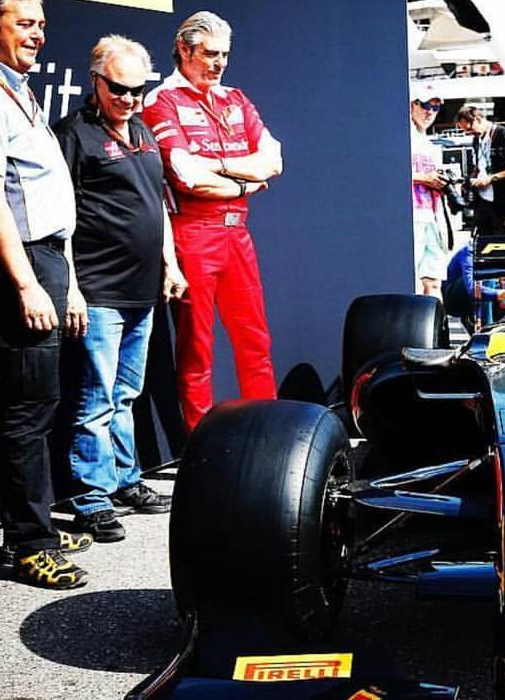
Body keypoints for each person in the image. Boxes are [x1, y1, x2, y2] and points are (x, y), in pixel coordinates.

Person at [0, 0, 91, 589]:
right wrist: (28, 283)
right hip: (19, 267)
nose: (38, 34)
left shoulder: (17, 87)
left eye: (41, 24)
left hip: (47, 259)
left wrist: (68, 282)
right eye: (24, 23)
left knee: (39, 403)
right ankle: (31, 545)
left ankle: (37, 527)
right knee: (26, 411)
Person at [54, 36, 186, 543]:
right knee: (96, 399)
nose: (129, 98)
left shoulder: (144, 131)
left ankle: (126, 480)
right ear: (96, 81)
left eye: (137, 89)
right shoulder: (74, 134)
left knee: (126, 394)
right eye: (119, 89)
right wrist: (71, 288)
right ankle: (92, 498)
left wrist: (170, 265)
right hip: (99, 289)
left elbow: (157, 206)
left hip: (143, 290)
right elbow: (59, 220)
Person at [143, 11, 282, 433]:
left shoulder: (235, 98)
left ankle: (267, 434)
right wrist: (245, 180)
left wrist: (218, 166)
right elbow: (187, 175)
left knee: (255, 339)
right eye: (209, 54)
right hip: (193, 234)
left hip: (237, 232)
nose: (219, 63)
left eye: (224, 55)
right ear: (184, 50)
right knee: (197, 348)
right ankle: (200, 444)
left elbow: (273, 160)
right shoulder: (162, 100)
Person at [454, 106, 505, 236]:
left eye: (470, 129)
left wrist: (491, 178)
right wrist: (470, 181)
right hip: (483, 202)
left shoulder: (504, 135)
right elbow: (478, 166)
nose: (469, 133)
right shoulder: (477, 139)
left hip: (504, 202)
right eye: (465, 131)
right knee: (483, 241)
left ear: (478, 119)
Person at [408, 84, 450, 297]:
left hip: (433, 218)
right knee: (409, 279)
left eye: (435, 108)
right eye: (425, 105)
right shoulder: (401, 139)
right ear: (412, 105)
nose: (430, 112)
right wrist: (425, 178)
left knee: (433, 281)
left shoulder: (431, 145)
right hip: (410, 217)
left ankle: (436, 318)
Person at [443, 241, 505, 334]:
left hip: (488, 289)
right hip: (456, 298)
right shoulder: (470, 251)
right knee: (487, 276)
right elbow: (472, 289)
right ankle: (486, 328)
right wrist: (500, 294)